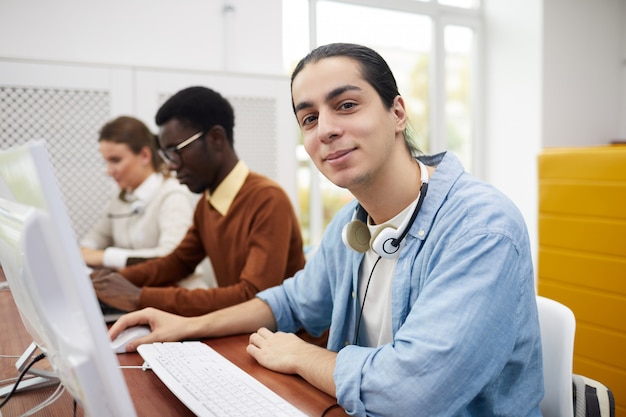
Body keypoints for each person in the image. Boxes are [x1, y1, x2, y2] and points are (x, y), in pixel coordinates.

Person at [109, 43, 543, 416]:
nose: (328, 129)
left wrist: (300, 354)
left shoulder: (481, 228)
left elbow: (412, 394)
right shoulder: (350, 223)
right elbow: (289, 302)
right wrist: (185, 327)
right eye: (309, 118)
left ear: (397, 112)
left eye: (346, 105)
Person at [92, 86, 306, 317]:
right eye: (166, 155)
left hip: (288, 340)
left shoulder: (267, 199)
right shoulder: (208, 202)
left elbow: (253, 296)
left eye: (176, 151)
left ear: (215, 138)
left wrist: (139, 297)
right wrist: (112, 282)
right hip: (245, 331)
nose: (172, 165)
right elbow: (177, 262)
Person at [81, 116, 194, 270]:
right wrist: (83, 252)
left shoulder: (173, 195)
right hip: (133, 288)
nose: (108, 171)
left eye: (115, 160)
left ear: (145, 156)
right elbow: (94, 240)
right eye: (105, 162)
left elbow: (172, 257)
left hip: (173, 290)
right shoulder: (120, 198)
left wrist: (105, 257)